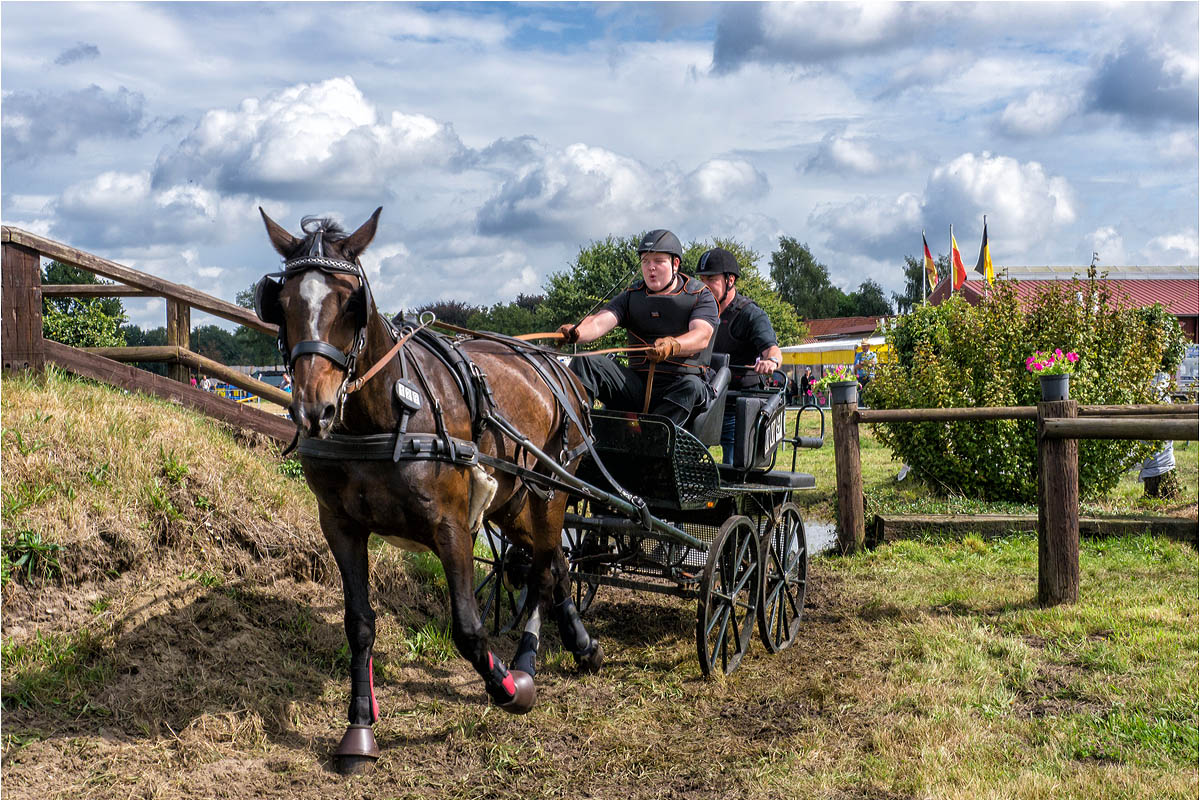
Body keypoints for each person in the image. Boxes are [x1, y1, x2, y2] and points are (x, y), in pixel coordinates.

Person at [559, 229, 719, 427]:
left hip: (681, 386)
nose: (651, 268)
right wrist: (576, 332)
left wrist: (672, 345)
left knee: (692, 386)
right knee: (586, 362)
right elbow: (599, 322)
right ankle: (575, 435)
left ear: (675, 264)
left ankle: (651, 439)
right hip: (637, 386)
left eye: (658, 261)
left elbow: (701, 335)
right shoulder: (631, 296)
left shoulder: (700, 295)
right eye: (645, 261)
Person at [693, 247, 784, 464]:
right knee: (684, 461)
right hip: (706, 402)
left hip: (739, 404)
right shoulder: (697, 311)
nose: (703, 286)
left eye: (711, 279)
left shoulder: (751, 314)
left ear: (730, 280)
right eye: (701, 279)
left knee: (735, 468)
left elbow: (773, 350)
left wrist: (771, 362)